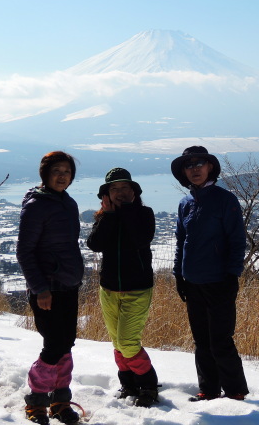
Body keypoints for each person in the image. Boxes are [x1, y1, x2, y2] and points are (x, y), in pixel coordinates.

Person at [171, 146, 249, 402]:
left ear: (210, 167)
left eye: (199, 164)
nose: (195, 169)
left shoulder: (225, 200)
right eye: (189, 165)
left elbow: (237, 241)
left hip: (219, 281)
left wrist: (231, 275)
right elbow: (181, 242)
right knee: (201, 340)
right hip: (192, 282)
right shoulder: (186, 203)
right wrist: (178, 276)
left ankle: (235, 391)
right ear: (184, 171)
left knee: (221, 340)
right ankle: (209, 390)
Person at [16, 151, 84, 424]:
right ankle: (36, 400)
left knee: (65, 345)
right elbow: (25, 251)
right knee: (54, 345)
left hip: (69, 285)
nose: (62, 176)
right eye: (57, 170)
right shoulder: (36, 206)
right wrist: (40, 288)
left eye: (67, 172)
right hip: (47, 289)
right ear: (45, 173)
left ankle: (60, 400)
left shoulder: (68, 203)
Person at [86, 168, 159, 407]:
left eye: (125, 188)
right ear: (106, 194)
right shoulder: (104, 217)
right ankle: (128, 384)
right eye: (114, 189)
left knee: (128, 342)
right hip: (108, 289)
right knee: (118, 342)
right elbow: (95, 244)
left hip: (137, 288)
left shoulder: (144, 214)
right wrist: (109, 216)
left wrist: (125, 211)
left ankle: (148, 385)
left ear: (134, 191)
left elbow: (140, 239)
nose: (120, 193)